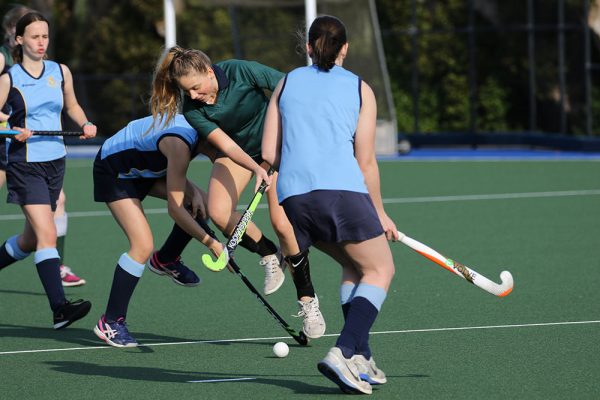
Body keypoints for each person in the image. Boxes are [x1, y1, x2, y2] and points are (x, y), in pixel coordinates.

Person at [149, 46, 326, 339]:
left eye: (195, 87)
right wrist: (257, 169)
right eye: (186, 91)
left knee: (284, 225)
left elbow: (288, 87)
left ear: (209, 72)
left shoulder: (240, 70)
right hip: (240, 155)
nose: (192, 96)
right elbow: (228, 147)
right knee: (218, 212)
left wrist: (280, 148)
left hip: (278, 147)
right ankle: (269, 255)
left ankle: (308, 300)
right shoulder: (193, 109)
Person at [262, 15, 398, 395]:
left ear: (308, 47)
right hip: (340, 193)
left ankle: (360, 356)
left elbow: (269, 152)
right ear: (345, 49)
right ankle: (343, 351)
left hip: (293, 199)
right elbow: (366, 160)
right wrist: (380, 213)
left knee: (354, 265)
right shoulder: (359, 88)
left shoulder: (285, 82)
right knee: (381, 268)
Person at [92, 114, 225, 347]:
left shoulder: (196, 135)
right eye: (219, 151)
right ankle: (110, 322)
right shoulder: (180, 143)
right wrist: (211, 242)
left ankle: (166, 259)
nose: (221, 157)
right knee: (142, 245)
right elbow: (175, 209)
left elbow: (173, 172)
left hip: (145, 169)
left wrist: (192, 192)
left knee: (204, 204)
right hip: (115, 172)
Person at [0, 11, 96, 329]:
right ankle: (59, 309)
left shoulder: (60, 71)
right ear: (19, 40)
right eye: (34, 37)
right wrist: (11, 129)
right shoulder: (9, 78)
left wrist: (84, 123)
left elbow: (71, 105)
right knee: (47, 234)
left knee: (30, 240)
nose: (41, 43)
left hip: (56, 161)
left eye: (45, 36)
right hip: (24, 163)